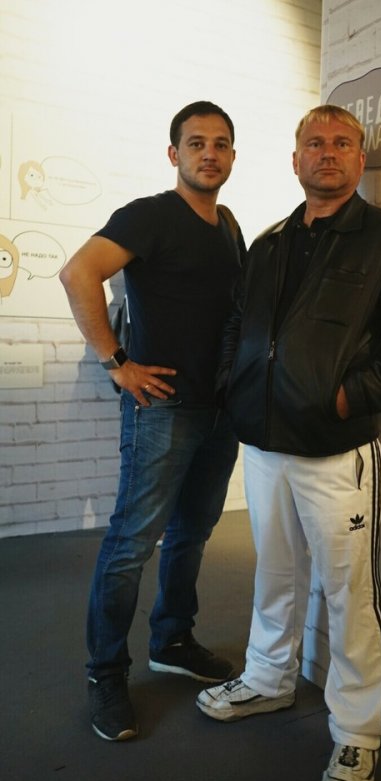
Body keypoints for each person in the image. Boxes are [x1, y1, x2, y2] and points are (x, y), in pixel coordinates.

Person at [196, 105, 381, 781]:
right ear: (295, 159)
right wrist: (234, 386)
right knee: (274, 573)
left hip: (337, 452)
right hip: (264, 443)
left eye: (341, 143)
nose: (326, 152)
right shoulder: (270, 243)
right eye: (314, 142)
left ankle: (358, 733)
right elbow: (239, 324)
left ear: (361, 160)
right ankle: (268, 678)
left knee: (348, 593)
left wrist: (347, 398)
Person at [60, 100, 245, 742]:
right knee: (131, 543)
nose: (209, 154)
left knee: (192, 533)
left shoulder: (228, 226)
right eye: (196, 143)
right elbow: (78, 272)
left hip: (218, 410)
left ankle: (172, 640)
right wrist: (117, 362)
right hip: (161, 406)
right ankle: (106, 674)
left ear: (232, 155)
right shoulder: (151, 214)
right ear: (174, 154)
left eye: (220, 144)